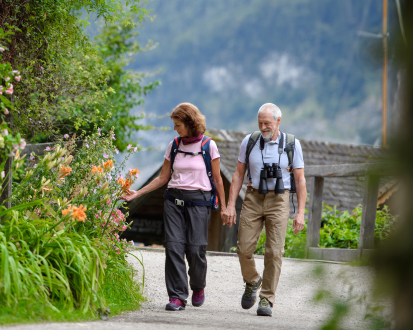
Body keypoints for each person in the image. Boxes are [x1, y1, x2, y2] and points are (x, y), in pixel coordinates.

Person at [120, 102, 226, 311]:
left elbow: (219, 180)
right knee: (174, 247)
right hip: (173, 202)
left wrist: (225, 207)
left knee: (196, 249)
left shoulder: (208, 146)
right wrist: (138, 193)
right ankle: (177, 296)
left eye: (178, 124)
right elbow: (163, 177)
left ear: (190, 123)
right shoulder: (175, 145)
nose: (175, 129)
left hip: (199, 202)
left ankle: (198, 286)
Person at [222, 103, 306, 317]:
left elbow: (299, 178)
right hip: (253, 196)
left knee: (274, 252)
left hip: (279, 199)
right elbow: (239, 174)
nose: (263, 127)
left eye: (267, 123)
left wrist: (301, 213)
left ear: (278, 121)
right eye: (260, 123)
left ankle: (267, 298)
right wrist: (231, 204)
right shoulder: (249, 142)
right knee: (243, 249)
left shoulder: (292, 144)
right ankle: (252, 281)